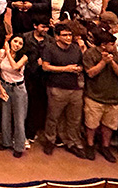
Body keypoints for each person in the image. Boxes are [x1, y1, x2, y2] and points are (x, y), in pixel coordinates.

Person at [41, 23, 85, 158]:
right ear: (57, 37)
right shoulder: (50, 48)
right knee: (53, 117)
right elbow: (45, 67)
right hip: (57, 87)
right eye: (64, 35)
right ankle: (50, 140)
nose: (68, 37)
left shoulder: (76, 49)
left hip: (75, 88)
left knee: (74, 118)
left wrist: (78, 69)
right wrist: (65, 69)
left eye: (70, 35)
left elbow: (82, 66)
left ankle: (72, 142)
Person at [82, 29, 118, 162]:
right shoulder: (90, 54)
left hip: (113, 97)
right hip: (94, 96)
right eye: (111, 44)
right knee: (91, 124)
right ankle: (90, 145)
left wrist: (111, 62)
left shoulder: (117, 56)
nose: (114, 47)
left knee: (109, 125)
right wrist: (103, 62)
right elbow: (90, 73)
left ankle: (105, 146)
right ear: (103, 45)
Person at [0, 35, 28, 157]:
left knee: (19, 119)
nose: (17, 45)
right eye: (15, 41)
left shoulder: (24, 56)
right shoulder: (1, 53)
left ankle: (19, 147)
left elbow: (15, 67)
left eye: (20, 43)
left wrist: (8, 52)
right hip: (5, 86)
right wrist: (0, 88)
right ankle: (6, 142)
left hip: (18, 89)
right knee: (5, 116)